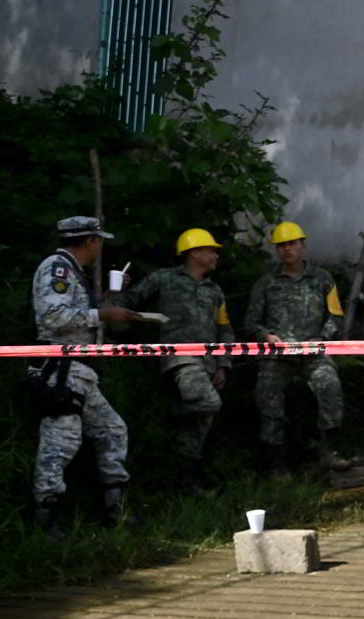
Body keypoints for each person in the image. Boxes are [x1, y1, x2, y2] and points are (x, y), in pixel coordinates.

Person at [29, 216, 139, 538]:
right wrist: (103, 313)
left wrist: (106, 299)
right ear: (90, 241)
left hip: (81, 370)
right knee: (60, 442)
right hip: (61, 367)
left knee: (113, 430)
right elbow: (54, 315)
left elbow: (74, 312)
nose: (101, 245)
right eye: (99, 239)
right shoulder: (57, 267)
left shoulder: (74, 272)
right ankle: (47, 520)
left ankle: (113, 511)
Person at [116, 227, 232, 466]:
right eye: (212, 251)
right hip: (180, 358)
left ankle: (185, 476)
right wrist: (114, 292)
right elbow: (129, 300)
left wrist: (223, 364)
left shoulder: (215, 290)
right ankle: (166, 415)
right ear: (195, 253)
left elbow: (225, 329)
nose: (216, 256)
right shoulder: (164, 278)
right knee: (210, 403)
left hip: (209, 362)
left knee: (200, 424)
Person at [246, 219, 348, 473]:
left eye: (291, 244)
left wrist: (322, 339)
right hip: (277, 354)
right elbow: (251, 322)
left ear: (302, 246)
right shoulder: (265, 283)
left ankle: (331, 450)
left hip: (313, 352)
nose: (286, 250)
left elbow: (335, 315)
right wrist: (266, 336)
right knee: (267, 392)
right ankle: (274, 462)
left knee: (330, 384)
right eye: (280, 246)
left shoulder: (323, 279)